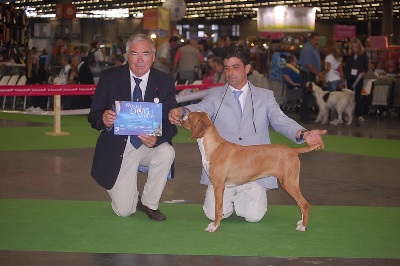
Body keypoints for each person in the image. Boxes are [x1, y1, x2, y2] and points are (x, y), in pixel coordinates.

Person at [168, 45, 326, 225]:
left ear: (247, 68)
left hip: (253, 170)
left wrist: (303, 133)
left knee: (252, 216)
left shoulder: (265, 96)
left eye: (236, 67)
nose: (230, 73)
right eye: (227, 68)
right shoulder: (214, 95)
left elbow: (280, 120)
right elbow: (201, 109)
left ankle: (246, 194)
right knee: (213, 214)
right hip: (223, 168)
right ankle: (230, 197)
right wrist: (183, 111)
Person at [88, 33, 177, 221]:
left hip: (147, 145)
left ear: (153, 57)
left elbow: (171, 123)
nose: (139, 60)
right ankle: (131, 197)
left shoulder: (165, 82)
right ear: (127, 55)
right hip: (119, 146)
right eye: (134, 54)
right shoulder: (109, 78)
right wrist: (103, 119)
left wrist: (157, 138)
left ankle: (149, 203)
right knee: (124, 211)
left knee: (167, 152)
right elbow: (93, 116)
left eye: (145, 54)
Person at [298, 32, 324, 121]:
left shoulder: (314, 48)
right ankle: (303, 114)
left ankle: (306, 113)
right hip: (307, 75)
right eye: (315, 40)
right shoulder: (307, 49)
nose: (316, 42)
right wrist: (318, 73)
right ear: (310, 39)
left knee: (309, 96)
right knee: (306, 94)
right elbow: (308, 64)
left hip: (311, 74)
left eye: (318, 40)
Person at [344, 38, 369, 122]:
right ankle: (348, 115)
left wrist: (364, 72)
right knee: (348, 97)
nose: (355, 49)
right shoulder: (349, 56)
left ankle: (359, 115)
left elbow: (366, 66)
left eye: (356, 47)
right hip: (350, 78)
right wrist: (345, 77)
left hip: (359, 78)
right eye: (353, 47)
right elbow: (347, 66)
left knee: (358, 97)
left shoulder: (363, 55)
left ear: (359, 47)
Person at [25, 48, 48, 112]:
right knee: (35, 87)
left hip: (41, 82)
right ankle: (35, 105)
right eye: (36, 54)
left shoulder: (40, 63)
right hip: (32, 82)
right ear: (33, 55)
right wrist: (34, 83)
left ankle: (40, 106)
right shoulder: (28, 65)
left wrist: (44, 81)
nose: (38, 55)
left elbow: (44, 73)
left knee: (45, 89)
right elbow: (28, 77)